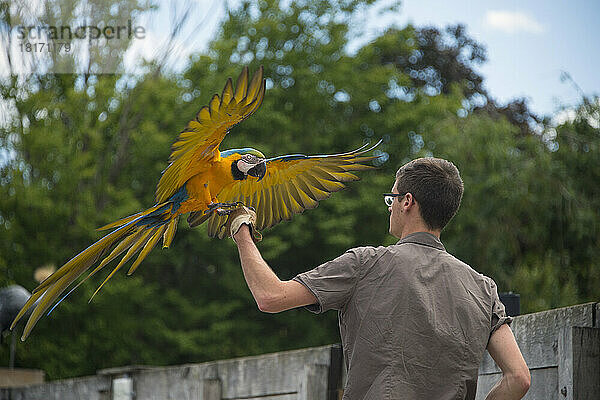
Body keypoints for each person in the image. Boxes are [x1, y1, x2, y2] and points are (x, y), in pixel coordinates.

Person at [227, 157, 530, 400]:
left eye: (392, 198)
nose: (390, 206)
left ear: (407, 201)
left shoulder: (366, 264)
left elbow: (270, 296)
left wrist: (241, 230)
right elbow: (518, 378)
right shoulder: (482, 287)